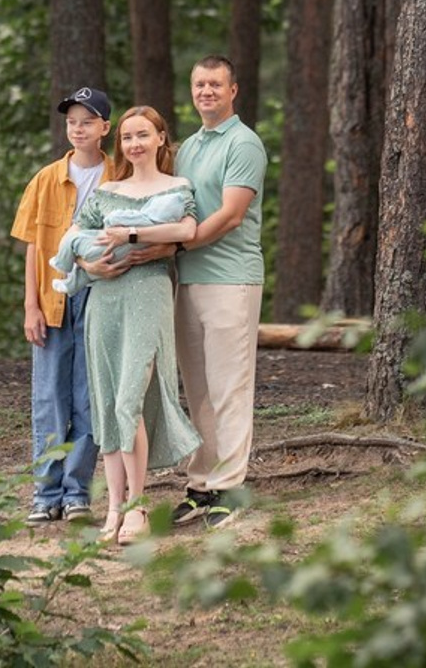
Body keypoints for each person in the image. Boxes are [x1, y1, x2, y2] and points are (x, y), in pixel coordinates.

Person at [66, 105, 201, 545]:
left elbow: (187, 231)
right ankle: (113, 509)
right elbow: (74, 236)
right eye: (127, 137)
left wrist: (134, 237)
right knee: (106, 402)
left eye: (143, 135)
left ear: (161, 138)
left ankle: (137, 506)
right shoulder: (108, 191)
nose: (135, 144)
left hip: (147, 293)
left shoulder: (177, 187)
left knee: (130, 400)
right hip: (106, 299)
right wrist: (90, 266)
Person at [170, 54, 268, 528]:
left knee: (230, 388)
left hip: (231, 278)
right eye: (199, 84)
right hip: (187, 279)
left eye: (215, 84)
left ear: (234, 91)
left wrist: (178, 241)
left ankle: (231, 487)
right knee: (199, 391)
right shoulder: (187, 146)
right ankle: (201, 484)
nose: (206, 91)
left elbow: (230, 215)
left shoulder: (244, 143)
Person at [10, 86, 113, 525]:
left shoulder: (119, 178)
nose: (78, 129)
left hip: (101, 296)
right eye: (72, 122)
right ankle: (45, 492)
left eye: (87, 121)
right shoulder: (47, 178)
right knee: (49, 396)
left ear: (105, 128)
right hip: (53, 299)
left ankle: (76, 492)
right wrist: (30, 305)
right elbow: (34, 247)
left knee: (89, 398)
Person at [48, 194, 192, 297]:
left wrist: (127, 232)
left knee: (74, 241)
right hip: (118, 261)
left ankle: (62, 263)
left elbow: (113, 218)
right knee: (86, 272)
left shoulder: (143, 218)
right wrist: (87, 265)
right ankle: (68, 283)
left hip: (105, 250)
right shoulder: (162, 228)